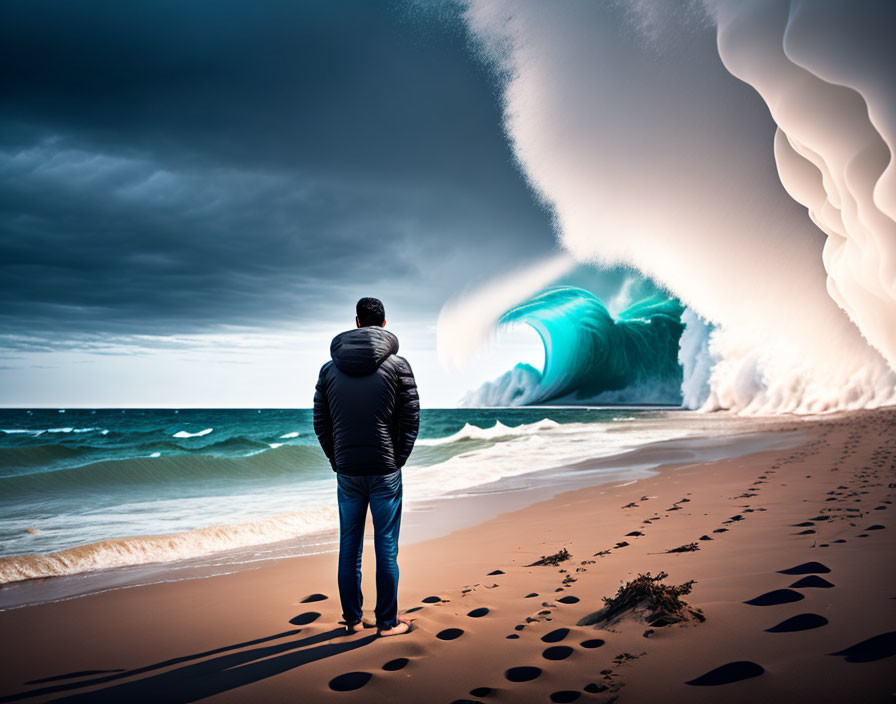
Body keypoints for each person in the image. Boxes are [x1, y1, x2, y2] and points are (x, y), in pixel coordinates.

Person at [313, 297, 420, 637]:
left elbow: (321, 422)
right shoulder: (399, 366)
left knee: (350, 546)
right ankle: (387, 623)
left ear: (357, 322)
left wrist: (336, 459)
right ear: (383, 323)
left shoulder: (329, 369)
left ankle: (352, 620)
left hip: (348, 471)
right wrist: (397, 457)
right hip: (385, 469)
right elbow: (411, 418)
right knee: (386, 545)